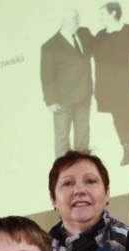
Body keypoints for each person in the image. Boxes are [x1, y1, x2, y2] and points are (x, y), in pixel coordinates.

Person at [91, 2, 129, 165]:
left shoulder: (128, 30)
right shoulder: (99, 36)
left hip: (127, 82)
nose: (99, 17)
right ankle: (127, 150)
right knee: (117, 118)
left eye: (102, 14)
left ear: (113, 13)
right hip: (107, 85)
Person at [40, 8, 93, 157]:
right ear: (63, 22)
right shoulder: (50, 47)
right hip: (62, 101)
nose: (77, 22)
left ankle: (84, 167)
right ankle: (63, 172)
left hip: (84, 95)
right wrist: (51, 101)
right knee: (62, 138)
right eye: (73, 19)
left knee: (82, 137)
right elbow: (47, 76)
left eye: (77, 18)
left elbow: (99, 47)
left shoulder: (84, 33)